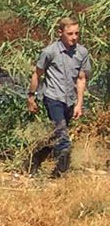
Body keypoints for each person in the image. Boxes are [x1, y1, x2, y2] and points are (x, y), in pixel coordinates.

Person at [29, 17, 89, 179]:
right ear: (60, 33)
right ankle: (58, 176)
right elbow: (37, 74)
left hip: (69, 100)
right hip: (52, 98)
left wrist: (79, 104)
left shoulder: (82, 53)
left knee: (55, 136)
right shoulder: (49, 52)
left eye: (77, 33)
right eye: (70, 34)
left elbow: (81, 79)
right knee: (63, 140)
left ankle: (34, 160)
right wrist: (31, 97)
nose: (74, 37)